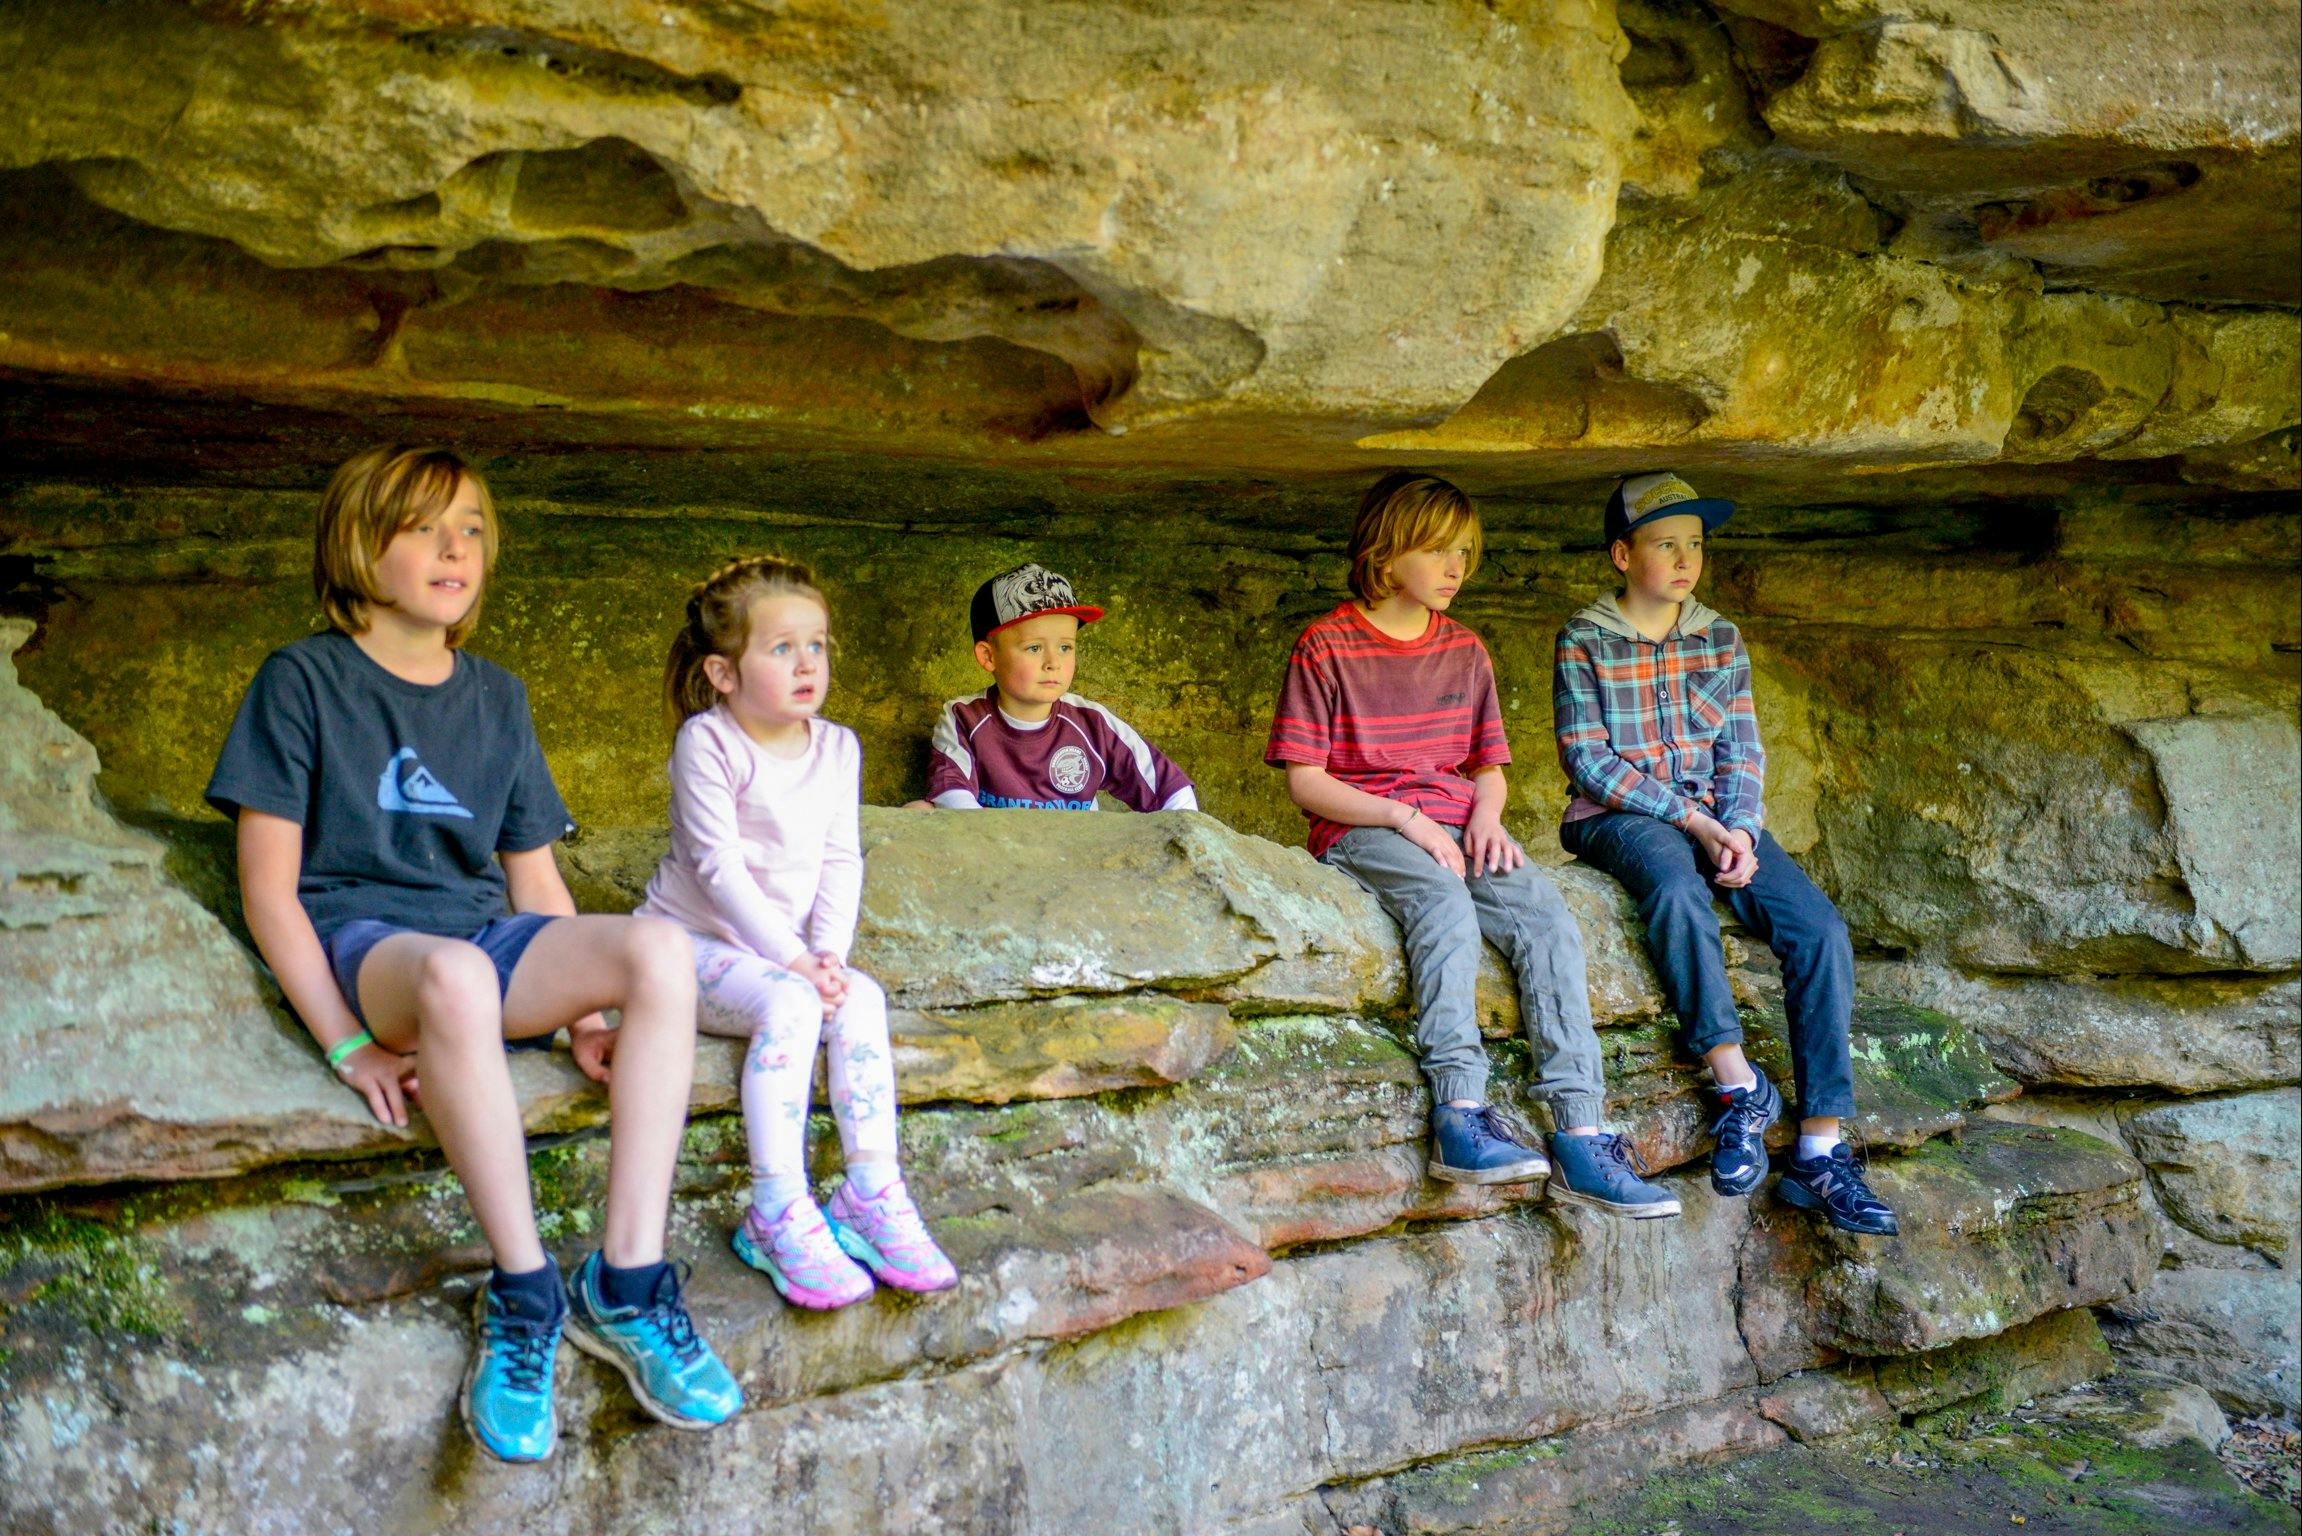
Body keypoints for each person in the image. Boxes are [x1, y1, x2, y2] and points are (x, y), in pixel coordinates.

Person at [204, 445, 740, 1464]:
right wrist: (347, 1045)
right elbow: (268, 888)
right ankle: (525, 1291)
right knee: (452, 975)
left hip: (487, 940)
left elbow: (532, 879)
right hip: (375, 946)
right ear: (361, 545)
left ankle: (625, 1283)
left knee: (662, 951)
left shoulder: (495, 695)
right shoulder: (302, 679)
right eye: (424, 527)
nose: (456, 548)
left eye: (474, 530)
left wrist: (586, 1014)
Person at [1266, 470, 1679, 1218]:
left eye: (1466, 551)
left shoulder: (1463, 649)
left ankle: (1583, 1134)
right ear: (1385, 557)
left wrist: (1487, 817)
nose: (1458, 567)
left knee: (1546, 918)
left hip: (1460, 822)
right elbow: (1305, 781)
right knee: (1444, 906)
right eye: (1438, 551)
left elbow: (1488, 769)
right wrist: (1405, 820)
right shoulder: (1325, 645)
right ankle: (1461, 1115)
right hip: (1366, 825)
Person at [1552, 471, 1898, 1236]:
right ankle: (1737, 1082)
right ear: (1621, 554)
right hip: (1619, 814)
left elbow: (1742, 749)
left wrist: (1738, 830)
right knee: (1675, 890)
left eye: (1696, 545)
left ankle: (1818, 1151)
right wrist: (1695, 827)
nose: (1685, 560)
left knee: (1819, 931)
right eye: (1665, 544)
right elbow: (1590, 760)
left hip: (1718, 816)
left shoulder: (1720, 636)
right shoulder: (1584, 637)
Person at [642, 556, 958, 1308]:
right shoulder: (709, 744)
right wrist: (792, 962)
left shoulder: (838, 747)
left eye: (817, 645)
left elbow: (841, 857)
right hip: (686, 950)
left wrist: (829, 957)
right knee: (789, 1005)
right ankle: (776, 1207)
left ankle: (871, 1191)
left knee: (861, 1000)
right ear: (723, 672)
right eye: (781, 648)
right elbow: (716, 869)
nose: (806, 663)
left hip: (787, 956)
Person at [911, 562, 1198, 813]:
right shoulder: (963, 717)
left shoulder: (1092, 723)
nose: (1053, 662)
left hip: (1073, 857)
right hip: (997, 851)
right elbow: (952, 796)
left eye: (1065, 647)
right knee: (919, 812)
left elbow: (1169, 789)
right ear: (989, 656)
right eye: (1034, 648)